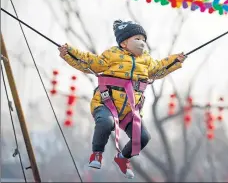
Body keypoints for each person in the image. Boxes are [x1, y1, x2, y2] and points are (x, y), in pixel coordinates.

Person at [58, 20, 187, 179]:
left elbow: (159, 68)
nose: (142, 43)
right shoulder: (112, 55)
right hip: (106, 103)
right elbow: (89, 61)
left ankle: (123, 158)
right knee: (106, 123)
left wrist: (176, 60)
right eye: (137, 39)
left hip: (129, 110)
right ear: (124, 43)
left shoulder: (146, 61)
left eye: (143, 40)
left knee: (143, 137)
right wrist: (69, 52)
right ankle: (97, 154)